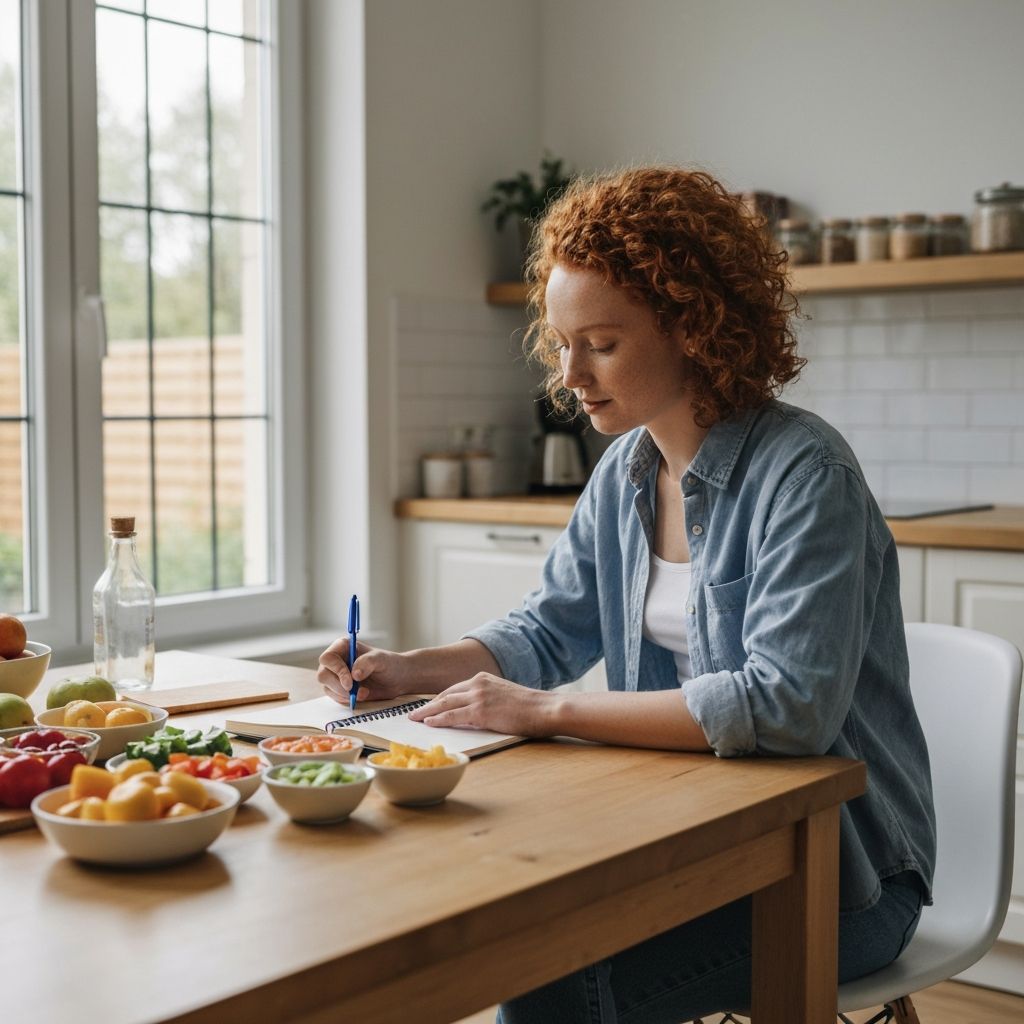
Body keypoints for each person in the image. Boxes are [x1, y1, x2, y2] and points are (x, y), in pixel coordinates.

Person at [318, 166, 936, 1023]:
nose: (570, 372)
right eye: (562, 342)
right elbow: (549, 628)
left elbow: (787, 706)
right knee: (528, 946)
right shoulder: (624, 472)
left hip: (838, 874)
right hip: (695, 838)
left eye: (601, 343)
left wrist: (546, 713)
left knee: (563, 977)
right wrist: (411, 671)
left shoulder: (806, 474)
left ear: (695, 326)